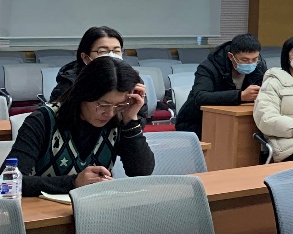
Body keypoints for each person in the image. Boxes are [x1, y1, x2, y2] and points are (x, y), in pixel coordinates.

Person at [13, 57, 154, 196]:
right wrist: (73, 182)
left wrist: (131, 120)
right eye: (102, 105)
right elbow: (10, 180)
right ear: (83, 94)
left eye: (119, 105)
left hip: (96, 206)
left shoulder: (119, 119)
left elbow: (141, 172)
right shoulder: (43, 120)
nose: (110, 113)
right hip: (43, 208)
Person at [173, 33, 266, 135]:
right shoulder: (208, 68)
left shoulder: (259, 66)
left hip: (237, 120)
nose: (250, 63)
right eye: (245, 60)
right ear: (231, 56)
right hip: (198, 122)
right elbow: (201, 97)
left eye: (255, 59)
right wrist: (240, 96)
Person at [48, 25, 148, 119]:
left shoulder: (131, 81)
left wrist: (129, 118)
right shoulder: (69, 83)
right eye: (102, 51)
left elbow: (141, 117)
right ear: (85, 57)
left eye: (116, 51)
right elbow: (59, 119)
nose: (111, 55)